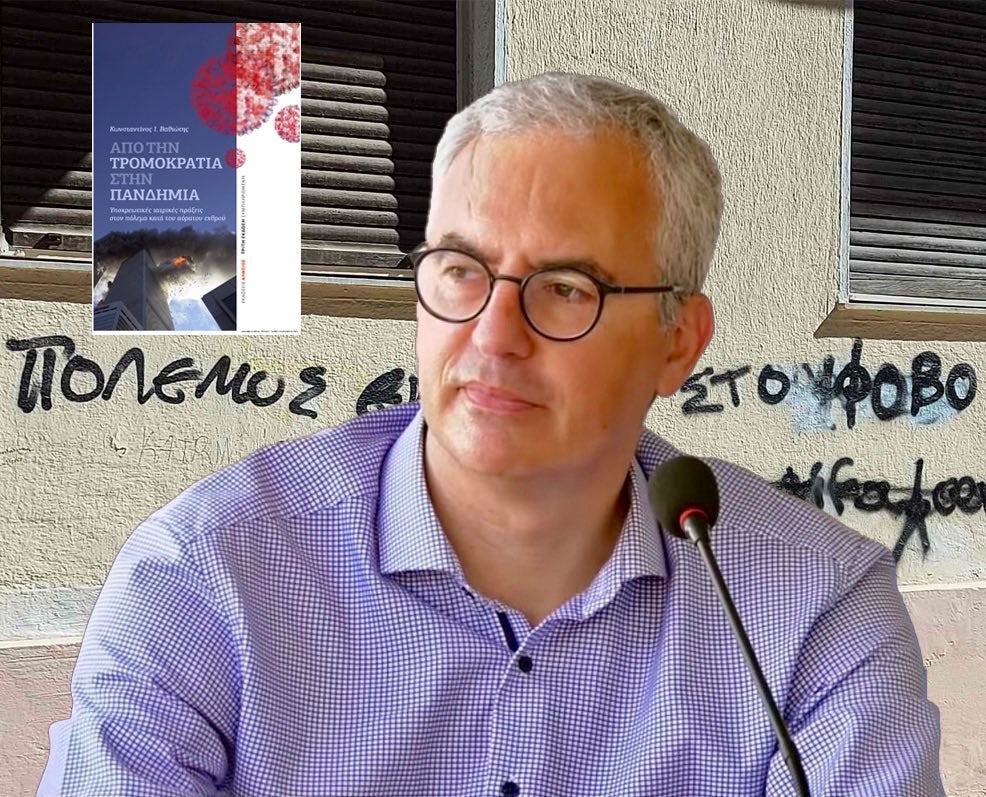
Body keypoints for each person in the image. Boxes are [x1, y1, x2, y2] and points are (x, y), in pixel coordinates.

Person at [39, 72, 943, 796]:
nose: (492, 336)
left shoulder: (813, 610)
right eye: (461, 270)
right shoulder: (207, 577)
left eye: (567, 288)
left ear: (678, 342)